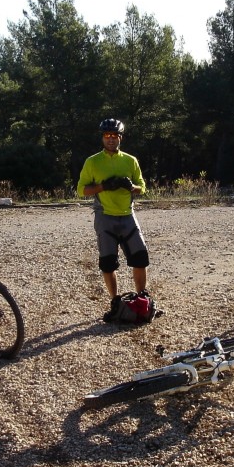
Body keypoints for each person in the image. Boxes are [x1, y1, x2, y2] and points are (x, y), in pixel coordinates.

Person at [77, 118, 152, 319]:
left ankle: (141, 297)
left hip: (128, 216)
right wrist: (103, 186)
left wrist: (131, 187)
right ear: (103, 138)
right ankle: (115, 301)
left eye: (114, 136)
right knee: (108, 263)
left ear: (120, 138)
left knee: (140, 258)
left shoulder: (130, 160)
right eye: (107, 136)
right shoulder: (92, 162)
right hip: (105, 218)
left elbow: (142, 187)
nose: (111, 139)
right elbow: (81, 190)